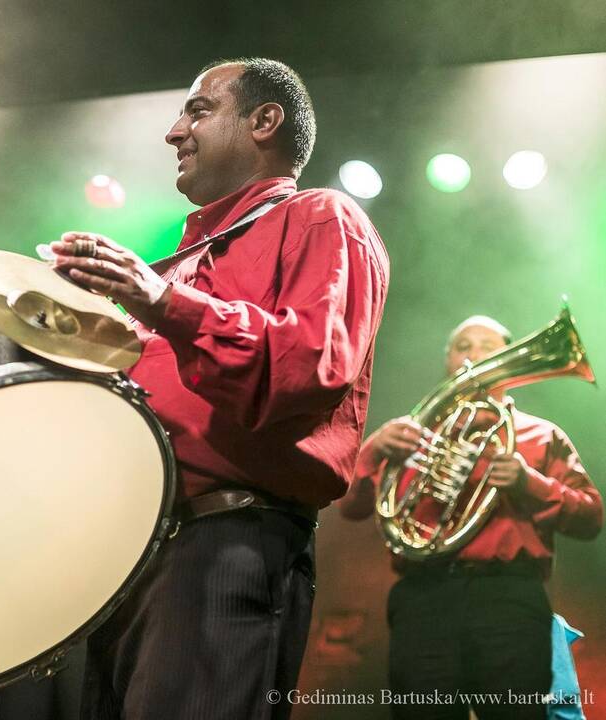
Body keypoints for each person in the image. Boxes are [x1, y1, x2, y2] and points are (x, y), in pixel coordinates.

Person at [51, 58, 390, 720]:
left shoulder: (322, 215)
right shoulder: (182, 260)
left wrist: (163, 303)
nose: (174, 131)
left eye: (198, 110)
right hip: (129, 556)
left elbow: (306, 366)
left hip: (225, 542)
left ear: (264, 121)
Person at [340, 315, 603, 720]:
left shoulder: (542, 435)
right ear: (447, 361)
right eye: (463, 347)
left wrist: (527, 482)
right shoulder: (416, 435)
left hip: (509, 600)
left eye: (488, 347)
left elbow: (591, 519)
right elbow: (352, 507)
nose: (474, 356)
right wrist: (374, 449)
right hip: (423, 599)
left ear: (512, 361)